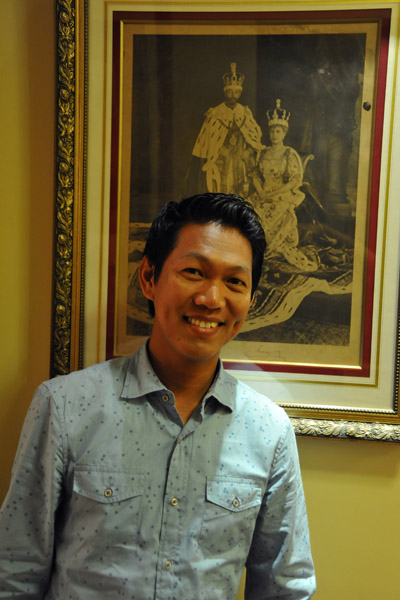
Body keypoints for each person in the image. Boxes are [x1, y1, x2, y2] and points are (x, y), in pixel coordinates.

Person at [0, 193, 316, 599]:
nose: (211, 298)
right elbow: (15, 571)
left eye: (234, 281)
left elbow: (284, 588)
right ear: (149, 278)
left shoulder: (269, 431)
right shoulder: (65, 406)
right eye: (193, 272)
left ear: (251, 301)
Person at [249, 99, 318, 272]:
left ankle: (268, 249)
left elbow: (295, 181)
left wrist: (274, 193)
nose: (274, 135)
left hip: (281, 194)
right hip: (262, 193)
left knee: (275, 212)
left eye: (278, 131)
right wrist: (261, 191)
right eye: (272, 131)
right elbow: (255, 175)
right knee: (249, 210)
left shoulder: (289, 153)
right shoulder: (262, 152)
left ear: (284, 133)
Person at [191, 63, 265, 197]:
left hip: (240, 161)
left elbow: (254, 140)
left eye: (236, 92)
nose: (233, 96)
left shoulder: (245, 113)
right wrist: (219, 151)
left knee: (241, 192)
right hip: (220, 161)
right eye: (230, 92)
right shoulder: (215, 114)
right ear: (225, 91)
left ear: (240, 92)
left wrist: (246, 153)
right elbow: (207, 143)